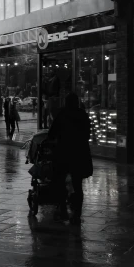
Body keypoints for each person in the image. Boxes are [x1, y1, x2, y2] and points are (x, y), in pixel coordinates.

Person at [48, 92, 93, 224]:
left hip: (64, 153)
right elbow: (87, 135)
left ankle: (63, 209)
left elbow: (52, 133)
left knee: (60, 181)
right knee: (78, 185)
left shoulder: (62, 115)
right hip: (79, 154)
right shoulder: (83, 115)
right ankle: (77, 213)